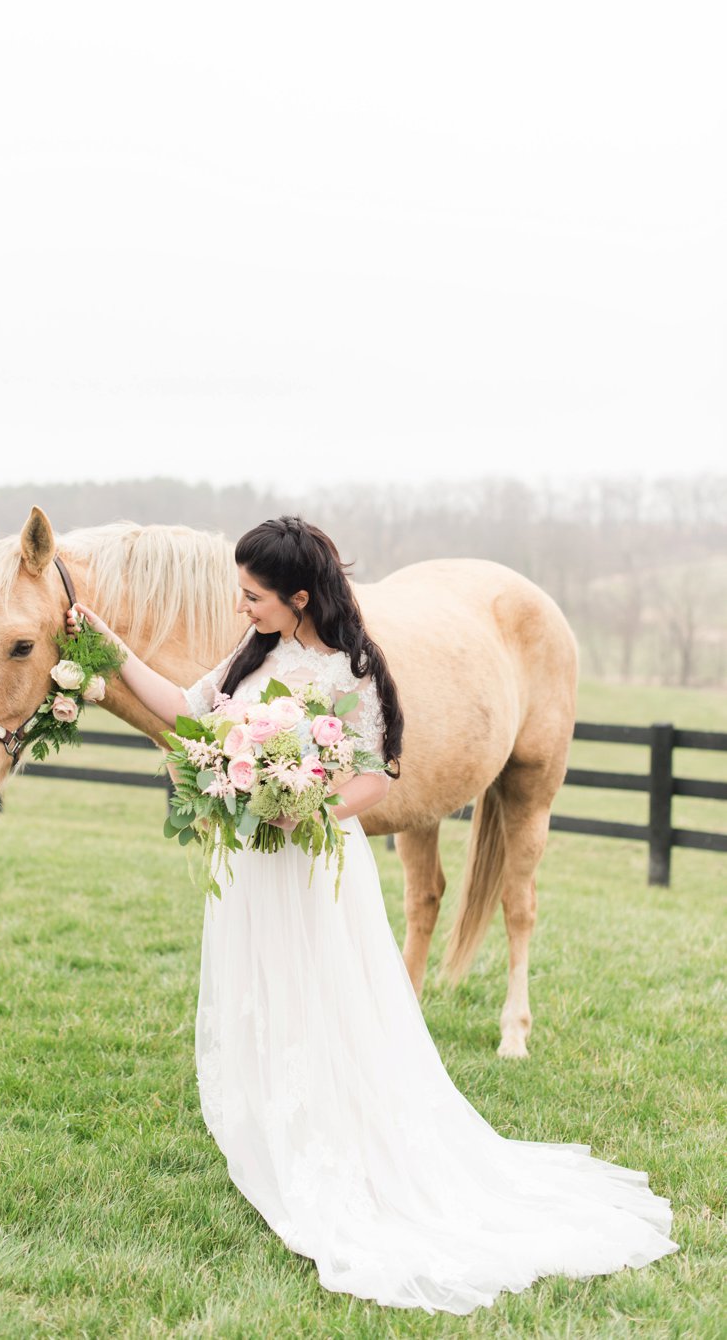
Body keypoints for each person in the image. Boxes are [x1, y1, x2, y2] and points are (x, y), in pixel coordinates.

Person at [67, 514, 678, 1315]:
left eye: (252, 595)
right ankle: (281, 1135)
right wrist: (107, 649)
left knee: (328, 992)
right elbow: (184, 710)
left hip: (313, 856)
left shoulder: (350, 672)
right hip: (254, 871)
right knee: (268, 990)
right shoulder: (249, 655)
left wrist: (306, 802)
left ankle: (339, 1145)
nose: (240, 605)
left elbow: (378, 774)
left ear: (298, 597)